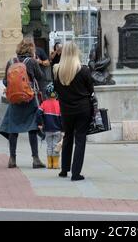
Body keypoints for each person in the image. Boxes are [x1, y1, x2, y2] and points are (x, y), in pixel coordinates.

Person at [0, 37, 46, 169]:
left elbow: (4, 81)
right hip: (29, 98)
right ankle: (35, 159)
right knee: (32, 127)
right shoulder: (31, 61)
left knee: (13, 128)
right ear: (31, 49)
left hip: (14, 99)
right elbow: (41, 77)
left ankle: (12, 158)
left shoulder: (11, 61)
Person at [53, 42, 94, 181]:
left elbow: (57, 90)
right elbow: (91, 90)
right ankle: (76, 173)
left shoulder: (57, 71)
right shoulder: (83, 70)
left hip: (65, 109)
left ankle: (64, 169)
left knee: (67, 137)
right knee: (80, 139)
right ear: (76, 53)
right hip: (83, 109)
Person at [36, 83, 63, 169]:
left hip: (47, 129)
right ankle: (55, 164)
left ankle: (49, 164)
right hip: (57, 130)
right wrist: (63, 129)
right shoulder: (59, 104)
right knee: (56, 146)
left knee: (49, 146)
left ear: (47, 94)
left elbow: (38, 114)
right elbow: (62, 118)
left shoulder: (44, 104)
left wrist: (40, 124)